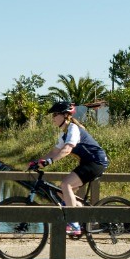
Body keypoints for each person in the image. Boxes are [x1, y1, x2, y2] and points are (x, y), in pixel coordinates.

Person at [29, 101, 109, 238]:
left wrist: (49, 162)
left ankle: (74, 224)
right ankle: (78, 210)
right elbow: (54, 152)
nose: (53, 117)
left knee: (66, 184)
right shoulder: (64, 134)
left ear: (65, 115)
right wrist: (36, 162)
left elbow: (67, 150)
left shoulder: (73, 129)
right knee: (62, 193)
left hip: (96, 162)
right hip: (87, 162)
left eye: (55, 114)